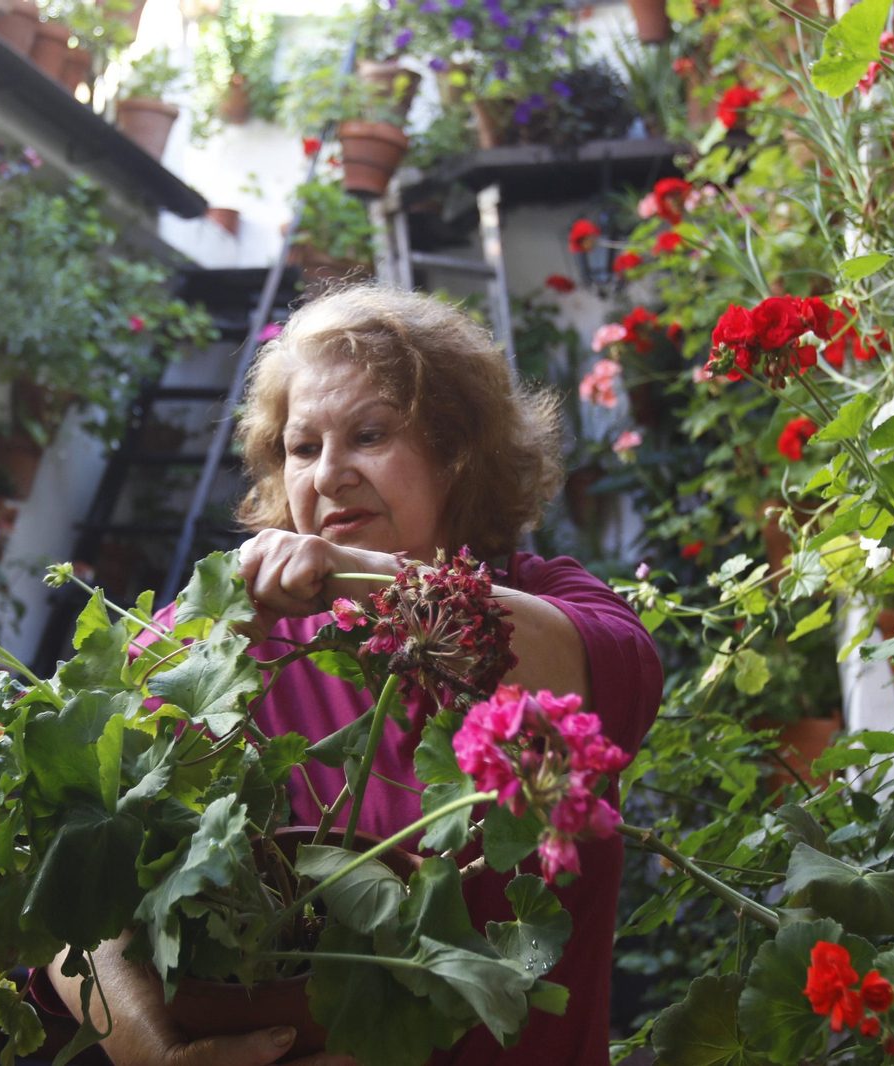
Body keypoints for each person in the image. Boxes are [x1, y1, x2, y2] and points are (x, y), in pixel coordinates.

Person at [46, 286, 663, 1066]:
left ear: (456, 451)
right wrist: (153, 1051)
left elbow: (607, 677)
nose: (330, 474)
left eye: (368, 435)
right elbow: (69, 886)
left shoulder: (552, 603)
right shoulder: (226, 634)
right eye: (303, 449)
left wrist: (358, 574)